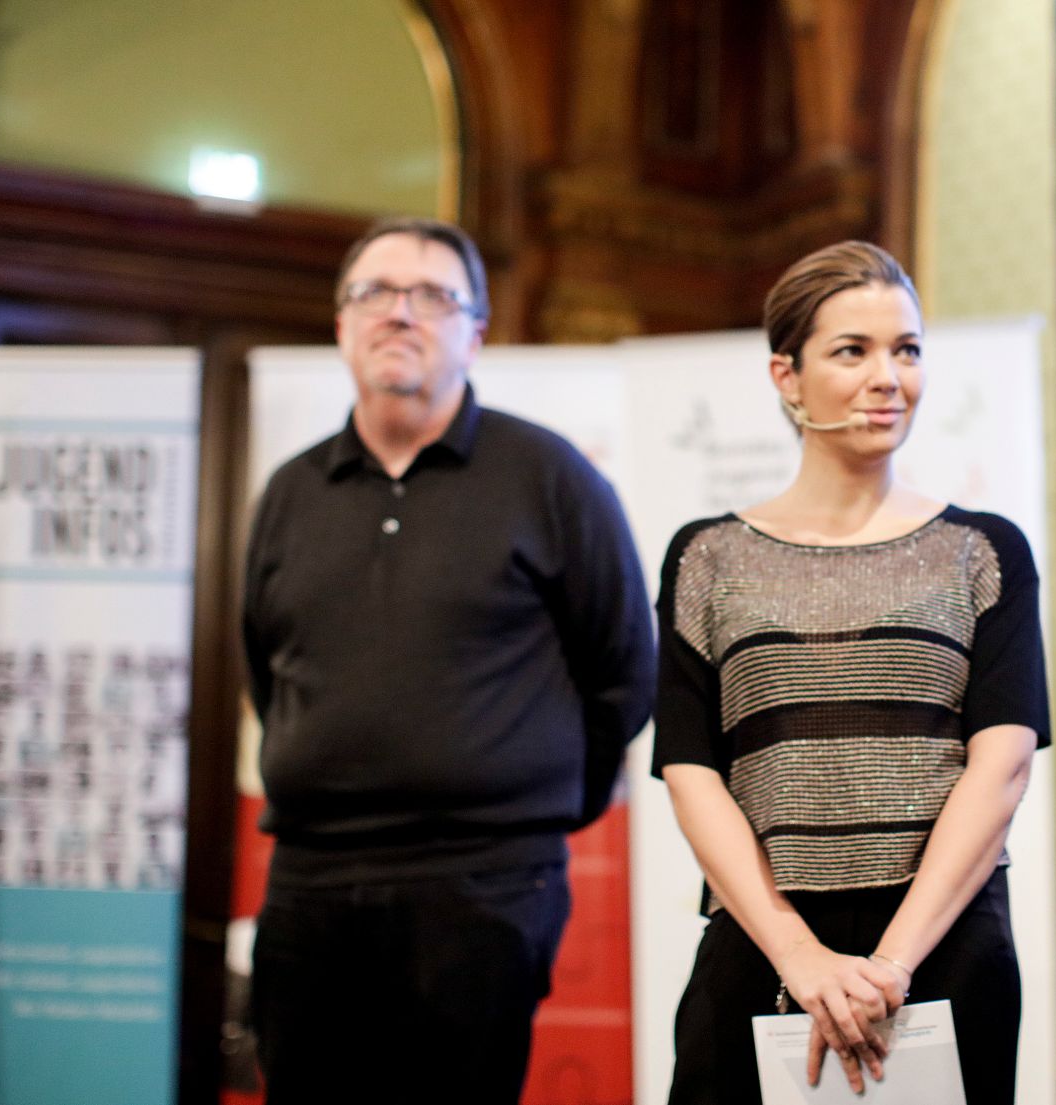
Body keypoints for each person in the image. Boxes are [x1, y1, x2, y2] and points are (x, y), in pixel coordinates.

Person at [242, 216, 656, 1103]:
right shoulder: (290, 491)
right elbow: (265, 664)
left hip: (486, 881)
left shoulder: (550, 476)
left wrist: (535, 800)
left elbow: (623, 664)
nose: (401, 313)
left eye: (433, 296)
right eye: (376, 293)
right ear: (342, 323)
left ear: (476, 332)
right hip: (312, 877)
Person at [652, 240, 1049, 1104]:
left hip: (941, 944)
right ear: (786, 377)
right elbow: (690, 772)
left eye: (906, 350)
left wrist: (890, 964)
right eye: (852, 350)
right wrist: (799, 954)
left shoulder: (983, 550)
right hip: (763, 940)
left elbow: (1003, 765)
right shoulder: (706, 557)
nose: (888, 376)